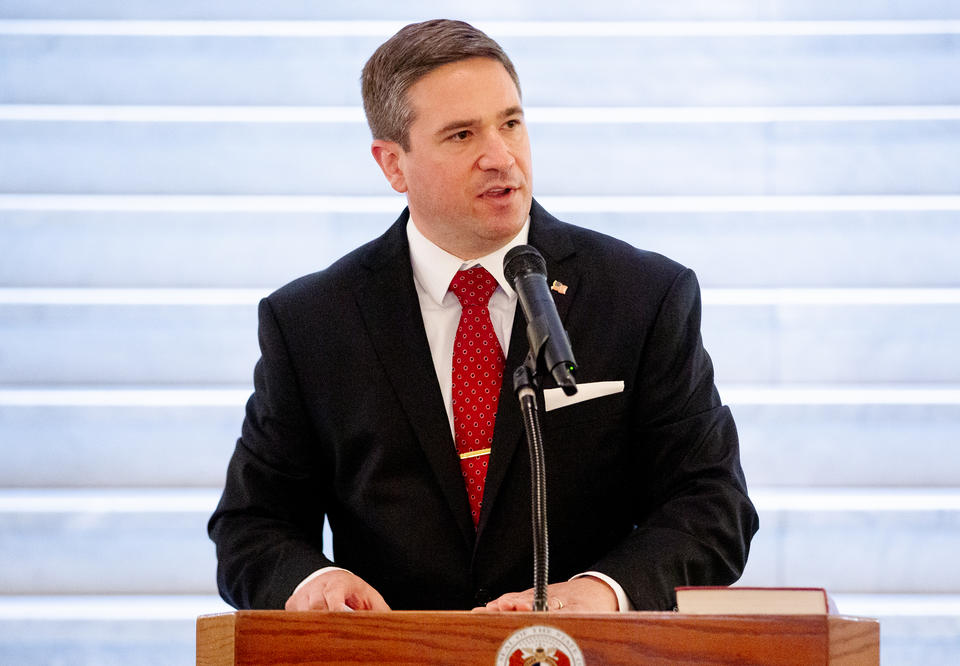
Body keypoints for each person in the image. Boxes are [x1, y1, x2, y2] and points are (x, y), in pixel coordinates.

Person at [208, 18, 758, 613]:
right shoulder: (312, 323)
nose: (500, 157)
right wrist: (312, 583)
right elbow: (253, 525)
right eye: (462, 135)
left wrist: (604, 592)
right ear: (393, 164)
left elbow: (711, 505)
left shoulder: (642, 295)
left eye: (511, 123)